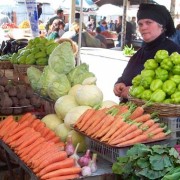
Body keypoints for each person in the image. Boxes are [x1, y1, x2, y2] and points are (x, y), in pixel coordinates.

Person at [113, 3, 180, 102]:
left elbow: (171, 91)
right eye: (140, 24)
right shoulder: (140, 51)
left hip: (154, 116)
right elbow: (126, 75)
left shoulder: (173, 51)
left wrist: (133, 91)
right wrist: (119, 83)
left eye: (148, 22)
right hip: (128, 112)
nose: (143, 27)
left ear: (161, 26)